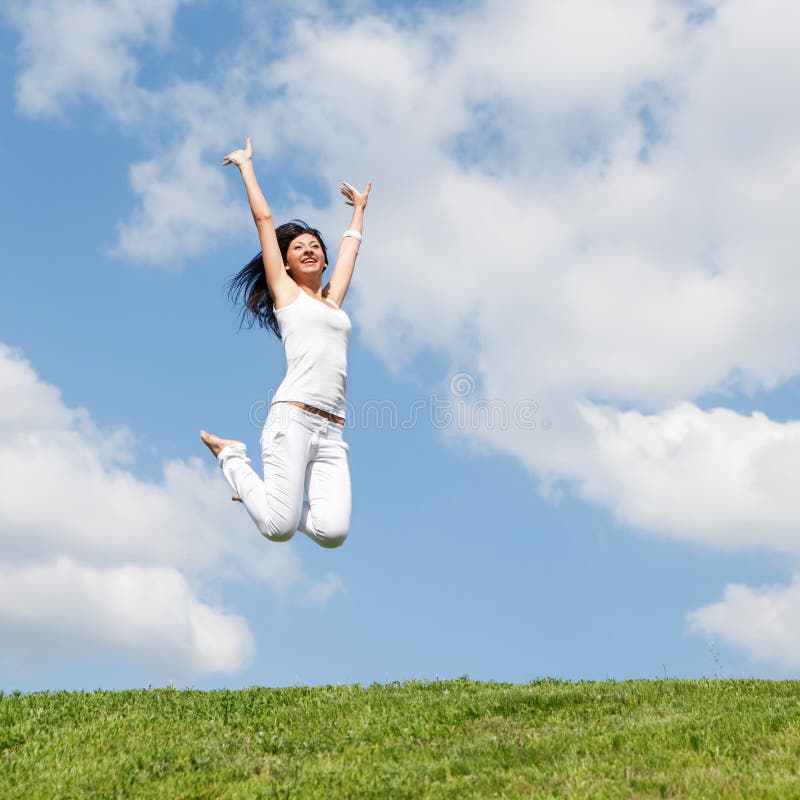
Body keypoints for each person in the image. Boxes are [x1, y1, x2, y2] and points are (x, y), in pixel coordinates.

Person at [200, 137, 371, 548]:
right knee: (278, 529)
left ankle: (273, 502)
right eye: (298, 248)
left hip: (331, 429)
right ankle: (231, 454)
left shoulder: (332, 302)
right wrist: (246, 167)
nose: (308, 251)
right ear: (288, 263)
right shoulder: (287, 295)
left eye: (315, 247)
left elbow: (350, 255)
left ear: (323, 260)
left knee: (333, 534)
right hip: (291, 419)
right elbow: (264, 220)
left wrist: (359, 212)